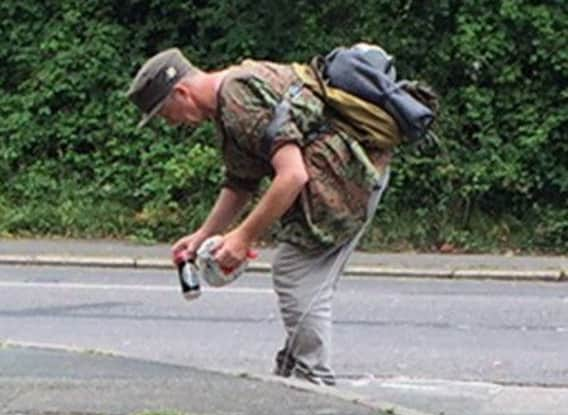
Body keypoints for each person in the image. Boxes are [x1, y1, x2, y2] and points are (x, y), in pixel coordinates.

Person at [127, 47, 393, 386]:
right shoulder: (227, 105)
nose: (170, 122)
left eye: (166, 113)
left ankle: (313, 380)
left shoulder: (238, 100)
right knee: (307, 279)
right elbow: (241, 182)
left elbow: (292, 175)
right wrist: (202, 235)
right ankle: (297, 370)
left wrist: (243, 237)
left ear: (181, 92)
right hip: (356, 173)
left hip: (348, 179)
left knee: (294, 271)